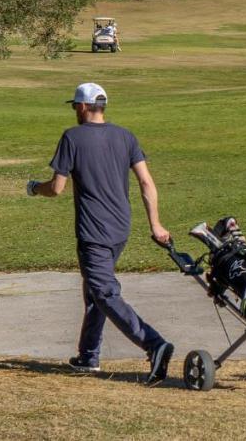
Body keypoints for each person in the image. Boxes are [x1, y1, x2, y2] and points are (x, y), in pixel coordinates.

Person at [26, 82, 174, 383]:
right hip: (121, 229)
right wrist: (155, 224)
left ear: (82, 107)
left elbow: (56, 189)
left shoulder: (72, 137)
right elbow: (146, 183)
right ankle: (88, 354)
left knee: (105, 293)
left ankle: (154, 344)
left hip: (93, 232)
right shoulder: (125, 136)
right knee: (95, 288)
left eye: (74, 106)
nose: (74, 111)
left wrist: (33, 189)